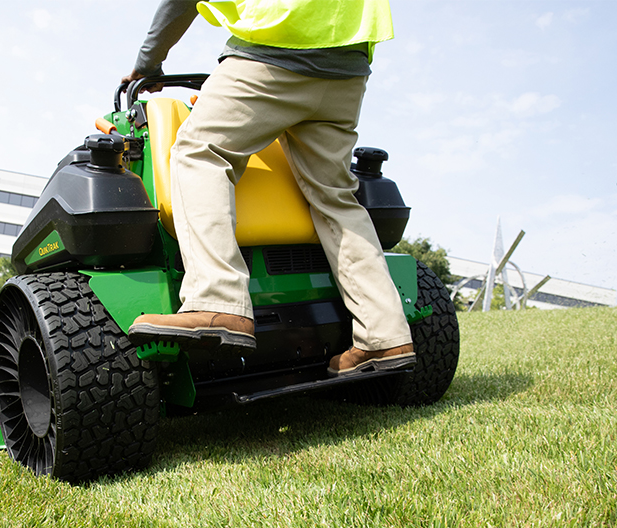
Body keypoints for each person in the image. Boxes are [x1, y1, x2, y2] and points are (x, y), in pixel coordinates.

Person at [124, 0, 415, 376]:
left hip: (275, 47)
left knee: (199, 151)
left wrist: (148, 64)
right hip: (347, 68)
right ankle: (385, 336)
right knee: (336, 198)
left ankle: (217, 300)